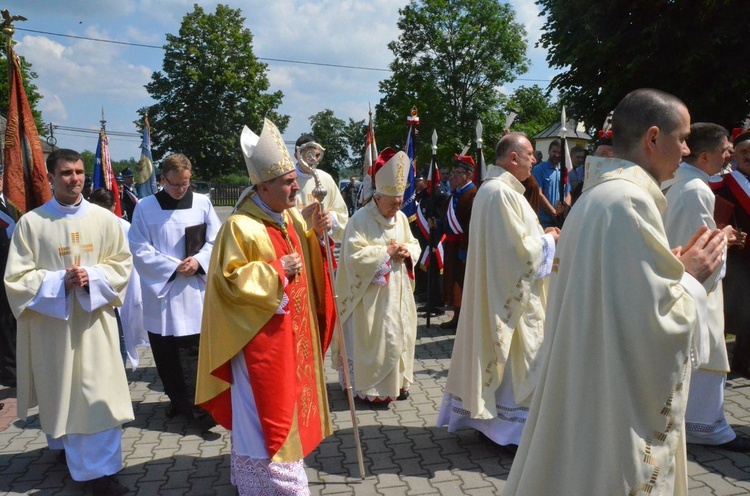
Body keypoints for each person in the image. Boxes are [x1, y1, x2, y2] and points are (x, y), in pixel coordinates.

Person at [505, 89, 727, 495]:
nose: (688, 148)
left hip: (590, 374)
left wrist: (670, 268)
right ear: (654, 138)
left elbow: (622, 289)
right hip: (613, 398)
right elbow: (652, 321)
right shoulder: (629, 202)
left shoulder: (602, 195)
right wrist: (692, 279)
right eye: (683, 137)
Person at [195, 119, 336, 494]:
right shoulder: (240, 227)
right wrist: (275, 272)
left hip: (292, 339)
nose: (296, 188)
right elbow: (229, 282)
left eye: (294, 180)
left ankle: (265, 479)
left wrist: (315, 237)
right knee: (265, 418)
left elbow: (304, 255)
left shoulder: (286, 216)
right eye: (289, 182)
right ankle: (275, 485)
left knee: (284, 412)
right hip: (259, 343)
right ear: (263, 187)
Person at [4, 149, 133, 494]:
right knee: (64, 395)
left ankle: (100, 475)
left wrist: (91, 275)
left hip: (95, 326)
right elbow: (16, 280)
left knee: (98, 396)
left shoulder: (104, 220)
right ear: (50, 178)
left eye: (78, 172)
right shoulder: (32, 224)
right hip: (55, 330)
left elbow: (122, 265)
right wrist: (59, 282)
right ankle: (71, 454)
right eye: (65, 173)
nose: (75, 178)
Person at [437, 133, 559, 449]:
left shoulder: (498, 190)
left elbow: (512, 241)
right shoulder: (501, 193)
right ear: (513, 157)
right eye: (530, 153)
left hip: (500, 291)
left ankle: (491, 423)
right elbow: (516, 252)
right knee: (519, 357)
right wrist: (550, 242)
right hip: (512, 297)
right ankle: (508, 430)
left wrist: (541, 235)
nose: (536, 159)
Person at [661, 122, 750, 451]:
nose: (729, 152)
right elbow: (700, 249)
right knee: (706, 352)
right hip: (696, 286)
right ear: (705, 155)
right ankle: (707, 428)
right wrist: (724, 238)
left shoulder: (676, 180)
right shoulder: (696, 188)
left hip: (674, 278)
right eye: (725, 147)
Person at [129, 153, 220, 421]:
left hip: (194, 291)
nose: (181, 190)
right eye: (175, 184)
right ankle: (177, 400)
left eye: (186, 184)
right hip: (164, 292)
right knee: (167, 353)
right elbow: (138, 248)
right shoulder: (145, 207)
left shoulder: (202, 203)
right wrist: (172, 267)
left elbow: (216, 240)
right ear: (162, 179)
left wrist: (199, 261)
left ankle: (200, 407)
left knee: (195, 352)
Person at [333, 148, 421, 403]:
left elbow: (414, 243)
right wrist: (385, 252)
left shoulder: (402, 217)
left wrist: (407, 251)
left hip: (398, 292)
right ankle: (371, 389)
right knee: (378, 339)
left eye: (399, 201)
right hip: (370, 296)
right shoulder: (359, 220)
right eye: (391, 202)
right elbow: (352, 257)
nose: (396, 207)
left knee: (399, 335)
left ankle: (398, 384)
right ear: (377, 197)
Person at [710, 129, 750, 377]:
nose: (749, 157)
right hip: (737, 258)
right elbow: (714, 220)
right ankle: (722, 362)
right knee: (733, 310)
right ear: (734, 155)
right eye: (744, 152)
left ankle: (743, 362)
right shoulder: (722, 185)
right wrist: (729, 233)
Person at [439, 155, 477, 329]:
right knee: (453, 281)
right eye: (453, 172)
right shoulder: (454, 194)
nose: (453, 176)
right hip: (452, 245)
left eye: (458, 172)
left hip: (463, 245)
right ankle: (457, 315)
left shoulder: (472, 194)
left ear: (468, 174)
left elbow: (471, 224)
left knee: (463, 282)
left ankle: (464, 318)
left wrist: (465, 247)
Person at [293, 134, 348, 242]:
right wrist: (299, 216)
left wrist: (330, 220)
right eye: (309, 155)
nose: (314, 159)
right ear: (297, 155)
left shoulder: (326, 179)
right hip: (297, 242)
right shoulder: (287, 179)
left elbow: (342, 213)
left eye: (317, 155)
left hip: (322, 242)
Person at [0, 165, 19, 388]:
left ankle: (16, 362)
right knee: (4, 321)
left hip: (12, 268)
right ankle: (8, 369)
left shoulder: (11, 203)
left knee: (13, 319)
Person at [531, 139, 571, 228]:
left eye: (559, 152)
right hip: (545, 220)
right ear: (549, 151)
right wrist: (553, 212)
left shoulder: (564, 171)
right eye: (554, 151)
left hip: (562, 220)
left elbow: (568, 193)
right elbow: (539, 194)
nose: (557, 155)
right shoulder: (539, 169)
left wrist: (565, 209)